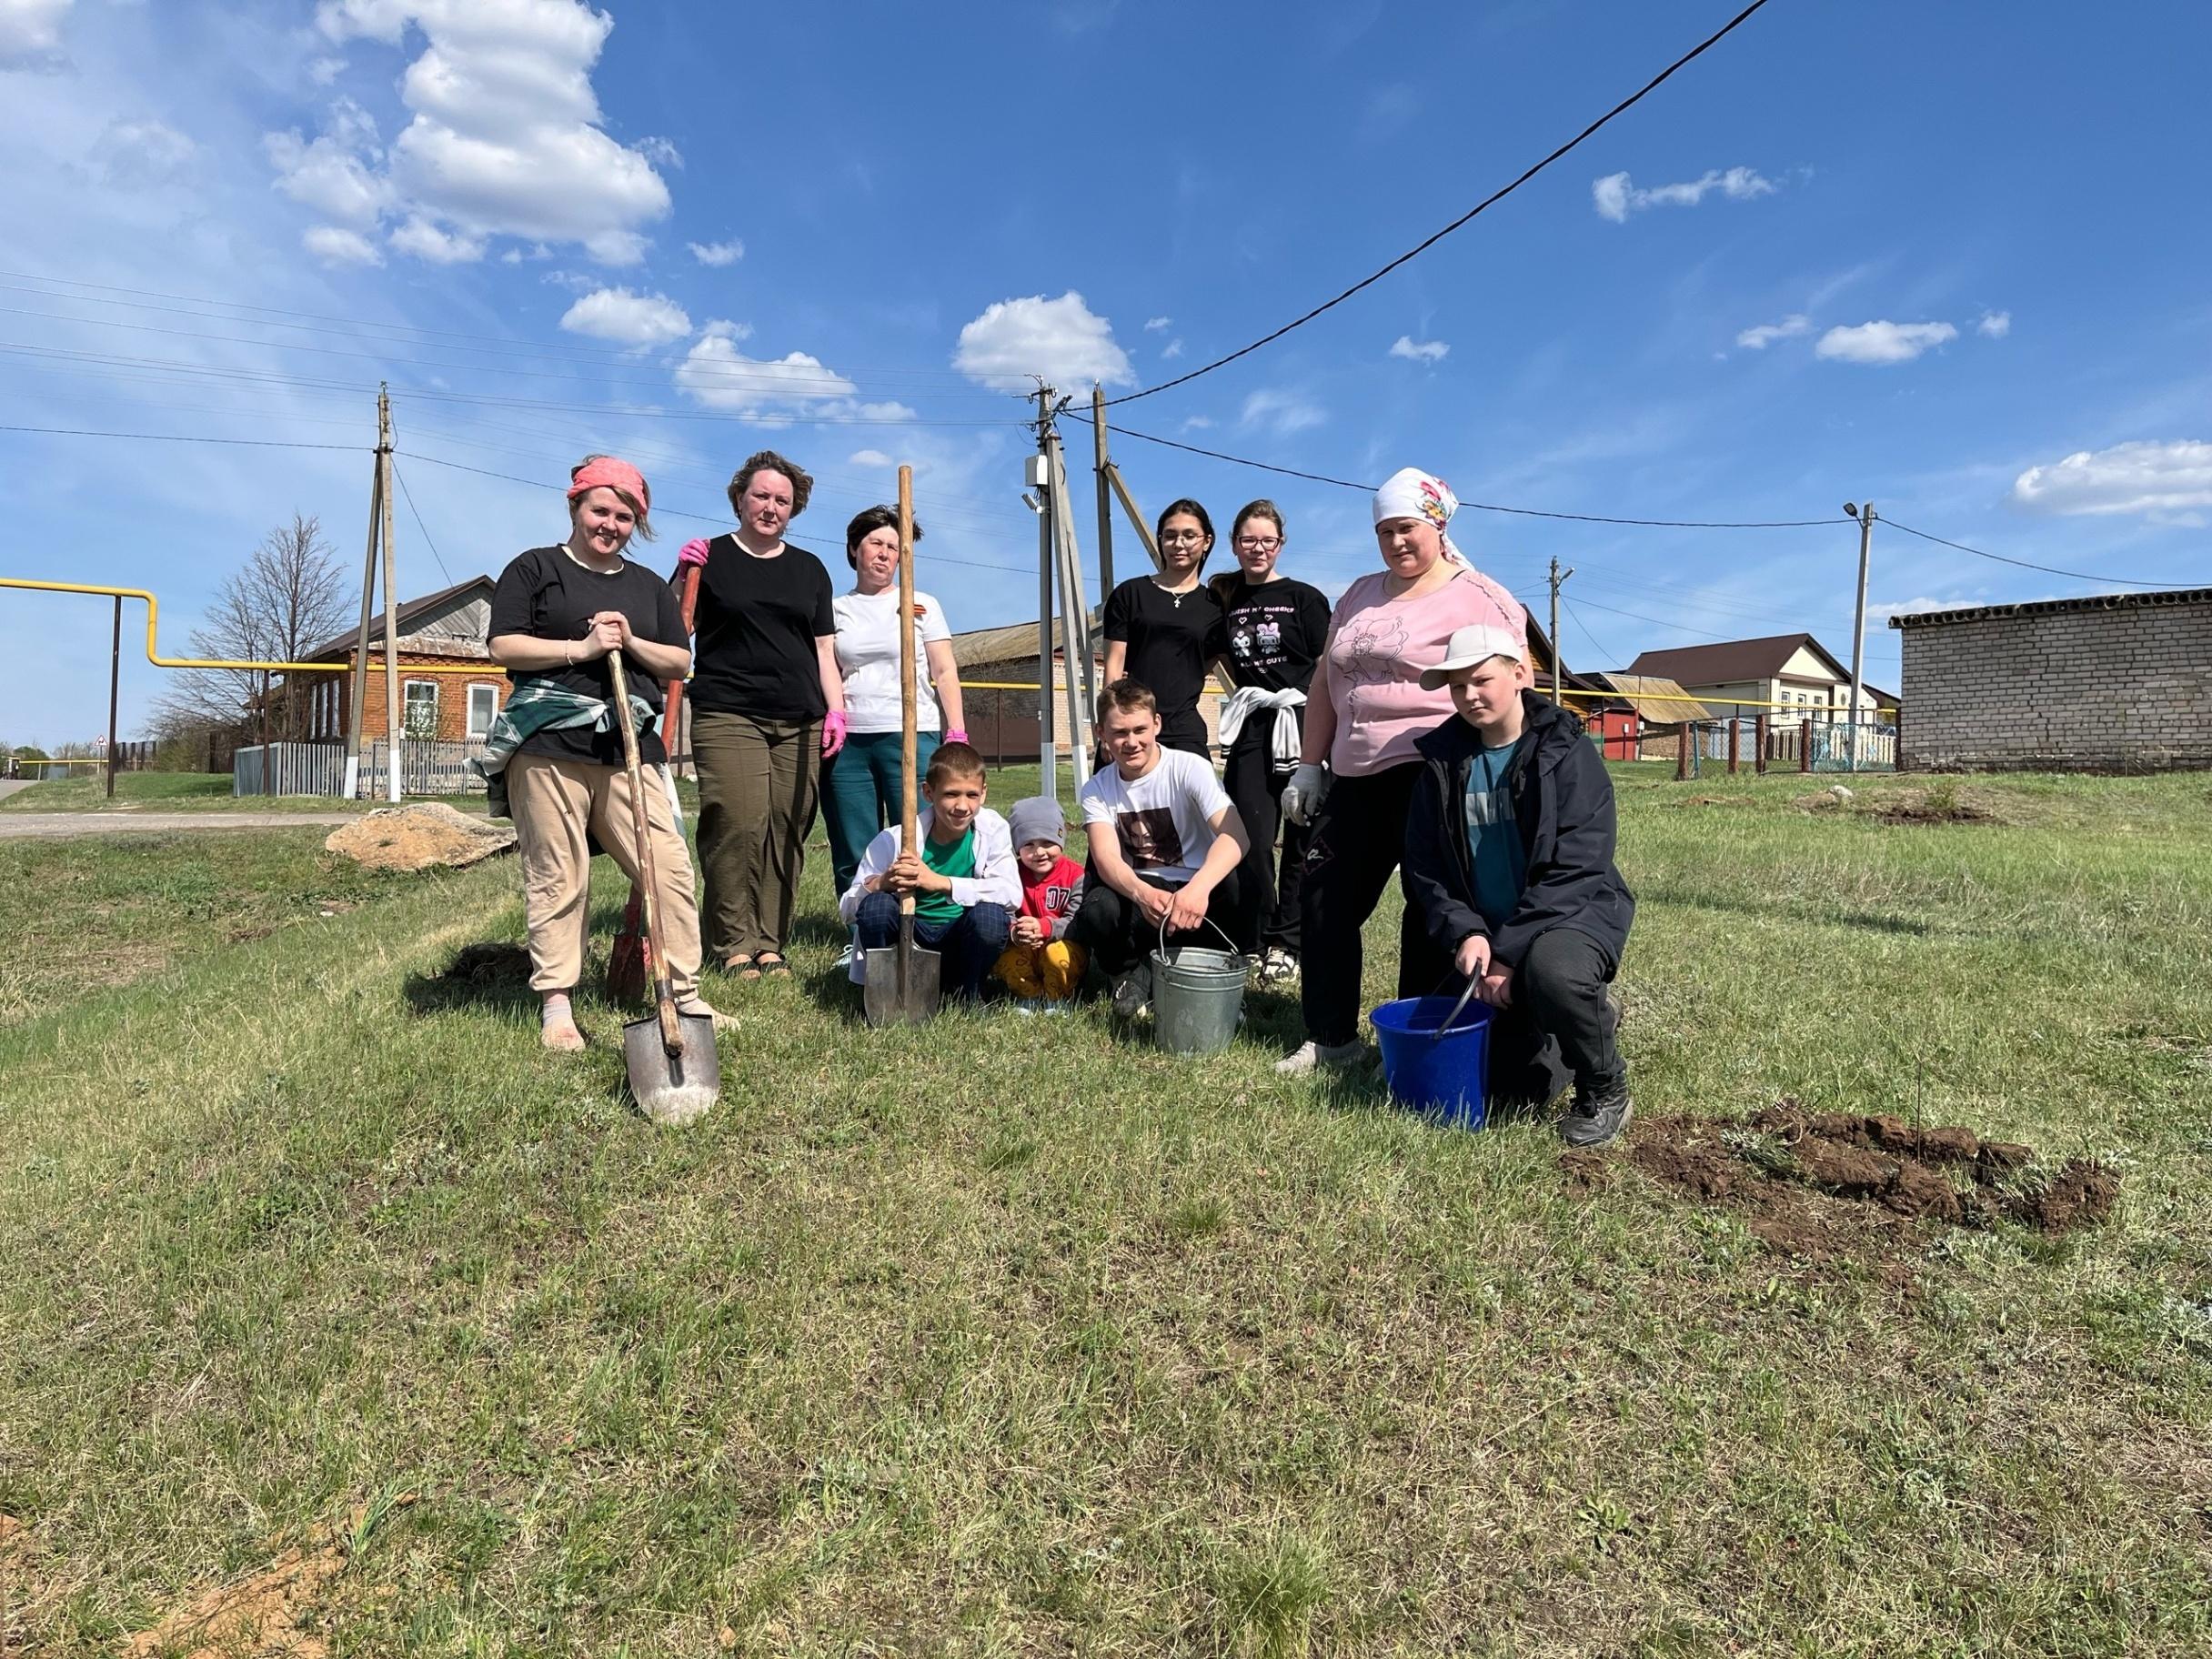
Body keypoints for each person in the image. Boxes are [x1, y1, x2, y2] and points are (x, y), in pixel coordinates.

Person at [1274, 468, 1532, 1077]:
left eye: (1406, 528)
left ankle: (1427, 1039)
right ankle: (1332, 1038)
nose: (1395, 541)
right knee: (1324, 900)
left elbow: (1512, 685)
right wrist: (1310, 766)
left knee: (1430, 911)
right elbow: (1324, 684)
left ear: (1438, 525)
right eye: (1384, 530)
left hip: (1435, 774)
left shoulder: (1480, 596)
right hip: (1355, 778)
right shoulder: (1359, 595)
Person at [481, 455, 721, 1051]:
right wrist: (582, 646)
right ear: (576, 507)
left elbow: (680, 660)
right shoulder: (535, 569)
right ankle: (558, 1005)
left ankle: (684, 995)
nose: (611, 523)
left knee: (668, 869)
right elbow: (501, 645)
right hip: (548, 748)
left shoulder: (644, 587)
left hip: (630, 749)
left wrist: (632, 639)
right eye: (601, 510)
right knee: (559, 874)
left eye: (625, 515)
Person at [1402, 626, 1636, 1146]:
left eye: (1481, 680)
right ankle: (1564, 1023)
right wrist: (1467, 933)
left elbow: (1579, 865)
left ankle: (1605, 1084)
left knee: (1554, 973)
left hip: (1572, 912)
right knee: (1513, 1090)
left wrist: (1507, 955)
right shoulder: (1443, 762)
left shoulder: (1565, 751)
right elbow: (1425, 866)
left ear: (1519, 673)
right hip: (1485, 927)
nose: (1470, 696)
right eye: (1457, 686)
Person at [683, 449, 846, 980]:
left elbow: (824, 650)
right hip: (728, 711)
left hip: (800, 718)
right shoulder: (709, 557)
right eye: (761, 496)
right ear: (738, 499)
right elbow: (673, 625)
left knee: (785, 827)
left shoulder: (809, 569)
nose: (771, 507)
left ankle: (771, 941)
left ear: (793, 509)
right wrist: (682, 572)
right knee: (735, 822)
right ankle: (732, 943)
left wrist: (835, 711)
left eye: (783, 500)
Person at [823, 506, 970, 930]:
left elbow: (944, 670)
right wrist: (835, 715)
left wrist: (955, 730)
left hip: (913, 732)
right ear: (854, 549)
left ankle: (923, 922)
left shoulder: (920, 604)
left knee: (920, 834)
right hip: (851, 739)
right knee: (854, 841)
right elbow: (828, 666)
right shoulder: (836, 610)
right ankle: (861, 931)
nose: (885, 555)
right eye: (875, 544)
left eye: (894, 547)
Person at [1207, 499, 1332, 980]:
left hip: (1302, 721)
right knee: (1251, 838)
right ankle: (1254, 938)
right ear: (1235, 545)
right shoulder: (1225, 599)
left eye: (1267, 540)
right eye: (1248, 540)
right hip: (1253, 725)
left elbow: (1327, 666)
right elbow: (1204, 651)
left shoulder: (1305, 598)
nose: (1257, 548)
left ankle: (1289, 942)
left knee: (1302, 837)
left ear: (1281, 544)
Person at [1071, 679, 1248, 1018]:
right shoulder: (1097, 788)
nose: (1132, 742)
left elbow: (1236, 835)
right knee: (1096, 906)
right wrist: (1140, 893)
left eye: (1140, 729)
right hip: (1144, 895)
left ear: (1157, 724)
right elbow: (1105, 857)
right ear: (1101, 734)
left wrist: (1198, 889)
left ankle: (1216, 973)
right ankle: (1128, 974)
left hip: (1196, 892)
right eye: (1120, 732)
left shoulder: (1189, 767)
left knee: (1239, 880)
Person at [837, 740, 1015, 1002]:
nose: (962, 806)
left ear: (984, 793)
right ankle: (887, 991)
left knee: (990, 917)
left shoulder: (992, 830)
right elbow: (847, 911)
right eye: (951, 794)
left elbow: (1010, 893)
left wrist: (941, 882)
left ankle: (968, 992)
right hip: (910, 937)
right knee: (876, 907)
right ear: (928, 792)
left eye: (972, 795)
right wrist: (881, 883)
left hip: (959, 938)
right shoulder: (895, 840)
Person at [1101, 499, 1224, 757]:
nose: (1179, 544)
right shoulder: (1130, 594)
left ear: (1207, 542)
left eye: (1189, 536)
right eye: (1170, 536)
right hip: (1131, 729)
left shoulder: (1216, 605)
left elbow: (1207, 662)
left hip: (1184, 731)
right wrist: (1110, 728)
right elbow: (1114, 665)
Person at [992, 795, 1088, 1010]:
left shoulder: (1076, 876)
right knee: (1003, 957)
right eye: (1029, 845)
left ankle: (1058, 997)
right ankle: (1029, 995)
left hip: (1063, 945)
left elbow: (1078, 923)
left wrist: (1045, 928)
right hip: (1024, 947)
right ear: (1017, 848)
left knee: (1056, 955)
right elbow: (1002, 911)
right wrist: (1017, 932)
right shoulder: (1011, 874)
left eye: (1047, 843)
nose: (1039, 852)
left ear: (1061, 840)